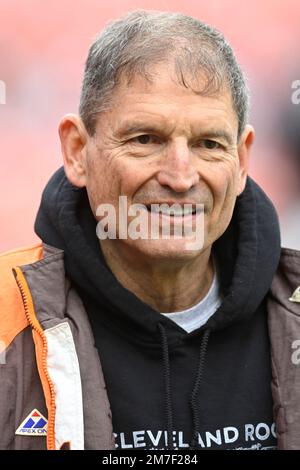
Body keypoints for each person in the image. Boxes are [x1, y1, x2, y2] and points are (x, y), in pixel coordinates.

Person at [0, 10, 299, 451]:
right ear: (78, 150)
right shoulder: (7, 316)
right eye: (145, 139)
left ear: (241, 162)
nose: (180, 177)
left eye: (209, 144)